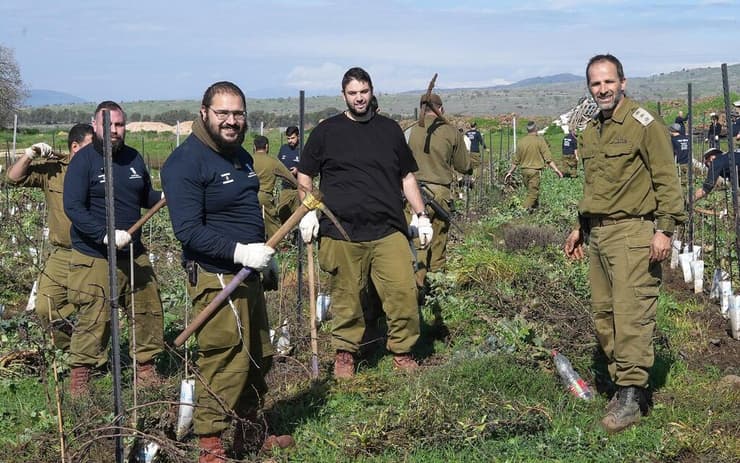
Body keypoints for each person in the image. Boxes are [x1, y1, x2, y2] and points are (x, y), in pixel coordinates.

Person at [161, 82, 293, 461]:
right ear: (204, 112)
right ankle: (211, 445)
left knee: (256, 355)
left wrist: (264, 254)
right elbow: (188, 230)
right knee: (224, 360)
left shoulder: (241, 157)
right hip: (216, 276)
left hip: (248, 274)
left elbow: (247, 210)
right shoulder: (185, 162)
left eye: (238, 113)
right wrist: (240, 252)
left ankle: (249, 433)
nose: (232, 121)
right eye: (223, 113)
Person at [564, 54, 686, 434]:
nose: (602, 89)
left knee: (631, 314)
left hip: (633, 232)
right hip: (599, 235)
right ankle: (625, 385)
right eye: (595, 84)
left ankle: (632, 397)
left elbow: (667, 179)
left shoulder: (643, 125)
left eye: (608, 82)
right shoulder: (591, 131)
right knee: (605, 315)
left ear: (623, 82)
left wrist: (665, 229)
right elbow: (595, 185)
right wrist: (580, 226)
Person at [296, 67, 432, 379]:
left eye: (364, 92)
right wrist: (308, 210)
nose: (359, 98)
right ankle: (345, 353)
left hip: (388, 229)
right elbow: (305, 174)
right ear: (344, 96)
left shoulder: (389, 130)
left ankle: (402, 351)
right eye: (353, 93)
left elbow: (407, 176)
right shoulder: (327, 131)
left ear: (372, 92)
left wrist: (421, 216)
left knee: (402, 292)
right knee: (347, 297)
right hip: (341, 231)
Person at [63, 101, 165, 396]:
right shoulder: (83, 162)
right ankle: (81, 378)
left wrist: (164, 195)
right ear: (95, 126)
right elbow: (73, 207)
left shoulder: (133, 158)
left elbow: (145, 195)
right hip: (94, 253)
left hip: (133, 251)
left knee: (148, 309)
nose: (114, 131)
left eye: (119, 125)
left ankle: (145, 368)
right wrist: (105, 235)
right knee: (95, 316)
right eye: (108, 125)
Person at [5, 123, 93, 351]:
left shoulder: (102, 170)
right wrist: (29, 155)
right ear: (75, 146)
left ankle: (92, 360)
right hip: (63, 252)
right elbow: (13, 179)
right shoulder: (54, 171)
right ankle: (70, 352)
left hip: (94, 251)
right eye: (91, 147)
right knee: (46, 307)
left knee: (94, 305)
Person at [407, 92, 471, 304]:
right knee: (438, 242)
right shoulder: (451, 132)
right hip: (441, 194)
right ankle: (436, 292)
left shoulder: (409, 131)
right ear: (440, 109)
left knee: (417, 244)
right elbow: (464, 166)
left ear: (421, 109)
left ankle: (416, 292)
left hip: (412, 194)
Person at [504, 121, 563, 211]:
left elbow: (516, 160)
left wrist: (510, 172)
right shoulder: (540, 140)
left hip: (524, 171)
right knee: (533, 194)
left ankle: (535, 209)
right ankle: (521, 211)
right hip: (534, 172)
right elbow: (548, 158)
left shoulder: (521, 141)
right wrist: (556, 170)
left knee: (531, 191)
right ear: (536, 129)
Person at [251, 135, 294, 239]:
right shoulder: (273, 161)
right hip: (265, 197)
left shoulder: (248, 160)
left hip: (248, 196)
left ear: (254, 147)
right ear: (267, 146)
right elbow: (290, 178)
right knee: (273, 225)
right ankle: (282, 246)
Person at [276, 126, 300, 223]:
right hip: (285, 188)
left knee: (298, 216)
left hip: (299, 189)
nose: (290, 141)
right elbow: (278, 164)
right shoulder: (283, 149)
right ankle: (286, 236)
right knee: (282, 214)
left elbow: (310, 168)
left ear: (298, 137)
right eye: (288, 138)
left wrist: (298, 170)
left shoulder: (303, 149)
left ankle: (297, 237)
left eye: (292, 138)